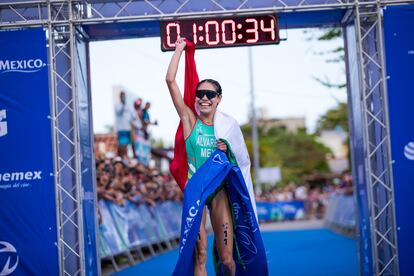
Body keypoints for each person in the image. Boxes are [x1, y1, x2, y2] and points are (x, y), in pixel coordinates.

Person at [166, 38, 235, 276]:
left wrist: (227, 150)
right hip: (195, 192)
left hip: (218, 192)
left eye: (210, 94)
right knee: (201, 255)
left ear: (219, 98)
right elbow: (170, 81)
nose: (204, 98)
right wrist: (178, 50)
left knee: (227, 258)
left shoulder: (227, 128)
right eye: (200, 93)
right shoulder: (189, 121)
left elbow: (240, 162)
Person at [115, 91, 137, 158]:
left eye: (124, 96)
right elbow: (119, 112)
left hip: (128, 129)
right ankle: (121, 157)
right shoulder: (117, 105)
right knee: (122, 145)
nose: (123, 97)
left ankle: (126, 157)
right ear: (120, 97)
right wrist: (123, 105)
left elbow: (134, 116)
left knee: (127, 144)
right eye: (122, 96)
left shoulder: (129, 105)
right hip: (121, 129)